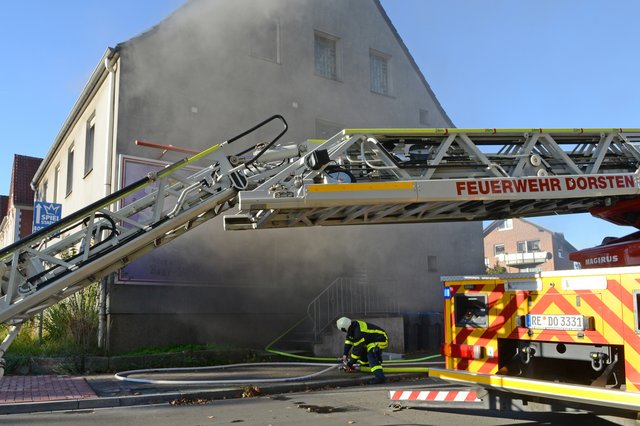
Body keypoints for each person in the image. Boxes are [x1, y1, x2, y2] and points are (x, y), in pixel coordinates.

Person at [336, 316, 388, 384]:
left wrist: (350, 364)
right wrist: (345, 354)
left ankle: (380, 377)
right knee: (363, 352)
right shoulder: (352, 328)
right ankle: (366, 367)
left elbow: (357, 350)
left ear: (343, 329)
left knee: (371, 355)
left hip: (381, 339)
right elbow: (348, 342)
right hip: (370, 341)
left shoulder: (358, 332)